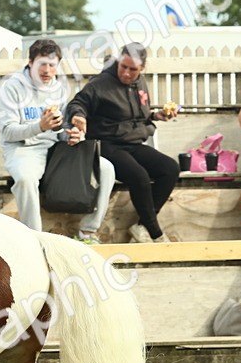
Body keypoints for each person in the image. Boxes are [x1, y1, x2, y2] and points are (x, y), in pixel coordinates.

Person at [0, 39, 116, 244]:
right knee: (25, 179)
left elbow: (60, 130)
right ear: (30, 62)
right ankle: (35, 239)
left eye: (52, 65)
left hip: (53, 149)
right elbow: (7, 132)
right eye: (42, 64)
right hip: (23, 150)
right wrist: (39, 126)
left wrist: (73, 135)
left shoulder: (59, 89)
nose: (47, 70)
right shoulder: (11, 87)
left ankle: (88, 232)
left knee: (106, 168)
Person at [64, 42, 179, 243]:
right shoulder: (100, 83)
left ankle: (141, 226)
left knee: (170, 168)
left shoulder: (140, 83)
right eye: (122, 66)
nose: (126, 73)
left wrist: (156, 115)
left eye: (132, 69)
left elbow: (136, 116)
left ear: (142, 69)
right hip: (105, 143)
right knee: (139, 176)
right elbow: (77, 103)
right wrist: (78, 117)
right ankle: (155, 233)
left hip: (132, 143)